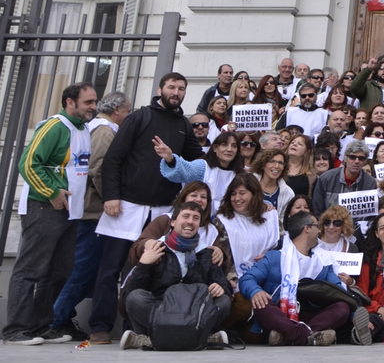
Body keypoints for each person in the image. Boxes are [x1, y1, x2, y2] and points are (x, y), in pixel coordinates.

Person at [91, 73, 204, 344]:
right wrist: (111, 196)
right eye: (171, 87)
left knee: (153, 270)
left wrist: (174, 159)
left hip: (162, 211)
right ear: (160, 89)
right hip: (125, 207)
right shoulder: (139, 117)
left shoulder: (184, 125)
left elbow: (199, 164)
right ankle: (100, 326)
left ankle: (137, 327)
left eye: (181, 88)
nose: (176, 92)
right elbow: (113, 159)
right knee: (110, 269)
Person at [3, 83, 96, 346]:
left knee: (58, 272)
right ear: (70, 102)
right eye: (88, 102)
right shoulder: (54, 126)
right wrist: (51, 192)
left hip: (70, 212)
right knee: (30, 269)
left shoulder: (83, 129)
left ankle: (41, 326)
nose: (93, 106)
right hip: (43, 207)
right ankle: (15, 330)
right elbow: (27, 163)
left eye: (94, 101)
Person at [48, 90, 130, 342]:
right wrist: (111, 197)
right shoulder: (105, 130)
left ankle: (61, 317)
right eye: (128, 111)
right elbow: (98, 168)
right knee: (82, 269)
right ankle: (54, 320)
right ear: (117, 110)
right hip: (93, 210)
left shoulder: (93, 127)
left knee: (84, 268)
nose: (129, 116)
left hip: (87, 209)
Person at [118, 202, 233, 350]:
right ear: (173, 222)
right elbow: (131, 293)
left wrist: (221, 287)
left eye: (195, 218)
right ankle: (202, 339)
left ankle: (149, 340)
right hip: (160, 310)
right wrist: (143, 265)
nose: (190, 222)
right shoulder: (157, 249)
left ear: (199, 224)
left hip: (193, 312)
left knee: (223, 301)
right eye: (186, 216)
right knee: (136, 298)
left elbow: (224, 287)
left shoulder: (207, 253)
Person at [240, 211, 353, 346]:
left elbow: (339, 292)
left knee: (342, 307)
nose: (319, 231)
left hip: (309, 313)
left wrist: (355, 315)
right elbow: (247, 279)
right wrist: (255, 291)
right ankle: (308, 336)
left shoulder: (323, 262)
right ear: (307, 228)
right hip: (280, 314)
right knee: (262, 305)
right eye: (317, 226)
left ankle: (287, 336)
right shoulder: (274, 257)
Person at [155, 132, 245, 211]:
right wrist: (170, 159)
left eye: (234, 146)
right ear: (215, 148)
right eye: (224, 145)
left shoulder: (239, 174)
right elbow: (183, 171)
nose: (229, 149)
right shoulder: (203, 167)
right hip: (198, 217)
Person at [216, 174, 280, 282]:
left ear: (254, 194)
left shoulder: (271, 216)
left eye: (242, 193)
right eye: (233, 194)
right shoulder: (222, 221)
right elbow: (224, 259)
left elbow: (284, 249)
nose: (237, 198)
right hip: (237, 281)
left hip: (270, 277)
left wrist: (271, 257)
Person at [312, 141, 378, 220]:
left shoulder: (370, 183)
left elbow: (370, 216)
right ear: (345, 158)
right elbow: (317, 211)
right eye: (352, 157)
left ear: (365, 161)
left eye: (361, 158)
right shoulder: (326, 179)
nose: (356, 161)